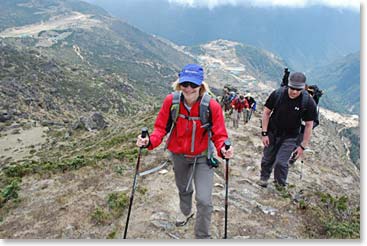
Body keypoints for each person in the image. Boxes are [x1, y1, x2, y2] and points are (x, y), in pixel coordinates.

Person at [136, 64, 234, 239]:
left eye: (193, 85)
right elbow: (160, 128)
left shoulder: (212, 106)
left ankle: (202, 236)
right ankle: (186, 211)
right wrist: (149, 141)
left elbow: (219, 135)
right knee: (184, 189)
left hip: (203, 157)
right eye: (185, 84)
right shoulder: (171, 102)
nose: (189, 89)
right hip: (179, 155)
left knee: (204, 200)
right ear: (179, 84)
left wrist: (223, 149)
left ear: (201, 86)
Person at [258, 72, 317, 188]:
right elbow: (266, 112)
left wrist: (302, 146)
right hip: (272, 132)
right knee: (267, 159)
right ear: (288, 85)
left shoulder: (308, 102)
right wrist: (264, 133)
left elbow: (309, 124)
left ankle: (280, 185)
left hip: (290, 136)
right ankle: (264, 179)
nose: (294, 91)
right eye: (292, 88)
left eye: (298, 89)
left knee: (281, 162)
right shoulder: (278, 94)